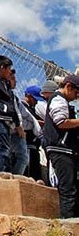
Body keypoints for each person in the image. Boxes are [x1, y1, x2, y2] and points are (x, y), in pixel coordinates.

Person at [43, 74, 79, 218]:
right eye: (76, 93)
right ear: (68, 87)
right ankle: (67, 227)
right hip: (60, 150)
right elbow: (61, 122)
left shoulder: (63, 101)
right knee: (68, 191)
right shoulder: (58, 99)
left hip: (67, 150)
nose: (76, 97)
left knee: (73, 190)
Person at [22, 85, 45, 180]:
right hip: (27, 145)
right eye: (35, 99)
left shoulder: (31, 108)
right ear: (29, 96)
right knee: (29, 175)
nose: (36, 102)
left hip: (33, 146)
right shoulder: (22, 106)